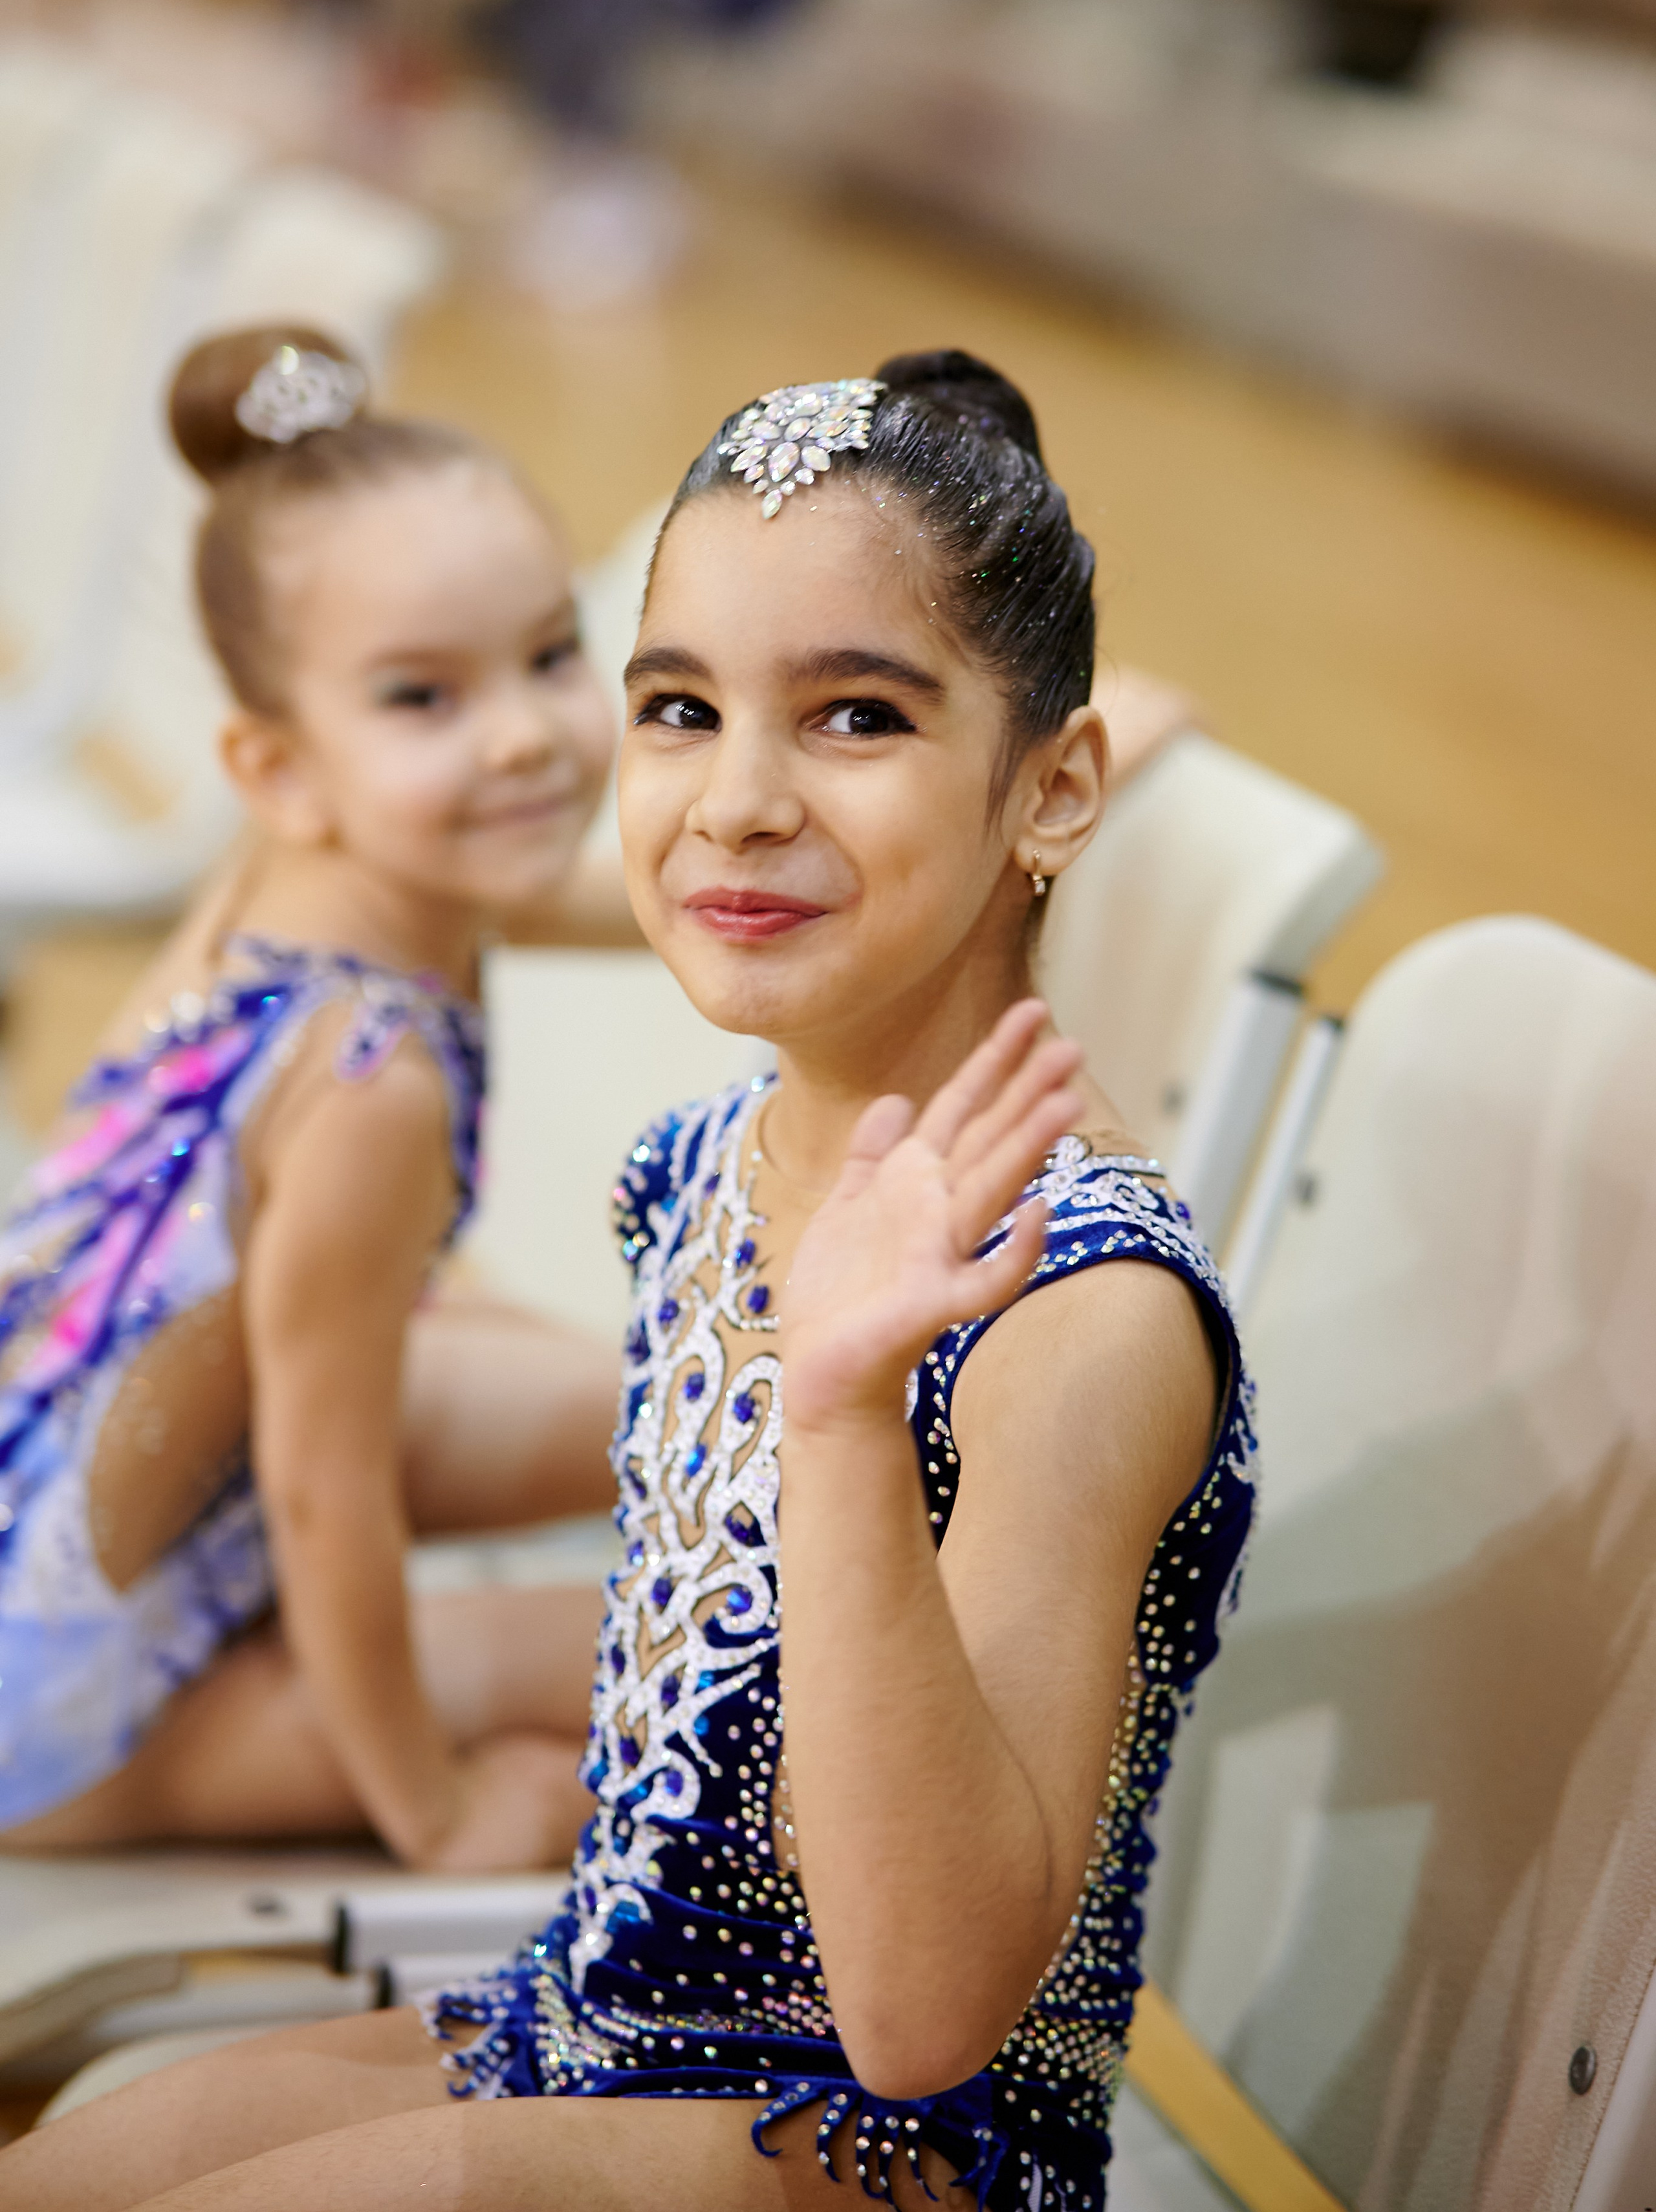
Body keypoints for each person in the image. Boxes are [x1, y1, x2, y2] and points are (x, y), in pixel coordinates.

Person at [0, 351, 1254, 2212]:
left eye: (855, 718)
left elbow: (920, 2022)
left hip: (878, 2147)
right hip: (602, 2018)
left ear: (1053, 789)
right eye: (678, 706)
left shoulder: (1072, 1309)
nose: (735, 801)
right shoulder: (712, 1159)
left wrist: (833, 1403)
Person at [0, 324, 631, 1874]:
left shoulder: (327, 871)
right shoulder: (369, 1086)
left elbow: (605, 903)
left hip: (107, 1515)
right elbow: (322, 1487)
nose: (521, 737)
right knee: (673, 1652)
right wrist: (435, 1806)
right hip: (64, 1708)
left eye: (551, 656)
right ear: (277, 764)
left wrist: (957, 849)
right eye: (424, 696)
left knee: (679, 1421)